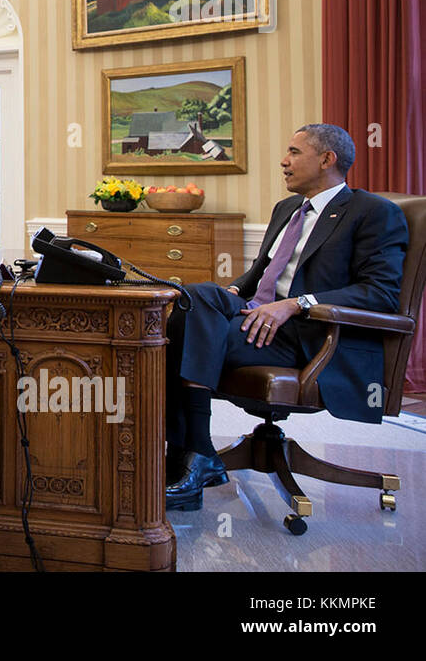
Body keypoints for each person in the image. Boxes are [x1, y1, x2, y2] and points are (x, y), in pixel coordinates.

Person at [164, 123, 408, 511]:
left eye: (294, 152)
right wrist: (229, 293)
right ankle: (195, 457)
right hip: (255, 319)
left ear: (327, 159)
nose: (283, 161)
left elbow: (379, 293)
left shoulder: (374, 213)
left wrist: (297, 304)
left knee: (182, 332)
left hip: (306, 335)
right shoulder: (287, 209)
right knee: (192, 300)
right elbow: (261, 274)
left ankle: (189, 455)